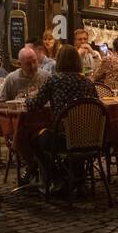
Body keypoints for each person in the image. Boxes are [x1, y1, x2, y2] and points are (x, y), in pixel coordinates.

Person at [27, 46, 101, 193]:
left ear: (59, 61)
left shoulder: (54, 80)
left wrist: (26, 99)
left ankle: (55, 176)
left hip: (64, 139)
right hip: (90, 138)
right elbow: (97, 106)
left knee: (34, 139)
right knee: (70, 135)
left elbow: (34, 105)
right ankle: (77, 177)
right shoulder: (87, 81)